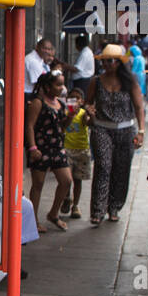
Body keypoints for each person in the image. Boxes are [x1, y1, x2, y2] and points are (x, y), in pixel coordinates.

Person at [85, 43, 147, 226]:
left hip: (125, 130)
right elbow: (87, 102)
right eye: (104, 61)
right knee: (103, 167)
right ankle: (98, 210)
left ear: (119, 63)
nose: (107, 64)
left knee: (121, 170)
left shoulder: (131, 81)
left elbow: (138, 107)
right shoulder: (96, 81)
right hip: (101, 128)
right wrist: (88, 109)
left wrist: (141, 131)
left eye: (110, 61)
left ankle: (114, 207)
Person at [25, 70, 72, 233]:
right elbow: (29, 125)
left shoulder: (60, 103)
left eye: (62, 84)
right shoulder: (38, 102)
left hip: (57, 148)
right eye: (58, 84)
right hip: (41, 148)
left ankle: (53, 213)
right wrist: (32, 148)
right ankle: (34, 220)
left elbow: (62, 127)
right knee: (38, 184)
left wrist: (70, 117)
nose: (61, 88)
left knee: (66, 181)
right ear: (47, 86)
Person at [61, 87, 91, 219]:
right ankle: (67, 198)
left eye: (77, 99)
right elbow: (63, 126)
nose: (74, 101)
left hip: (82, 150)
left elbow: (88, 122)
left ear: (82, 101)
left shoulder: (84, 113)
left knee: (78, 180)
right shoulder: (64, 112)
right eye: (71, 98)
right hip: (66, 149)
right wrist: (70, 115)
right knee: (67, 179)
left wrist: (88, 113)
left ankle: (76, 205)